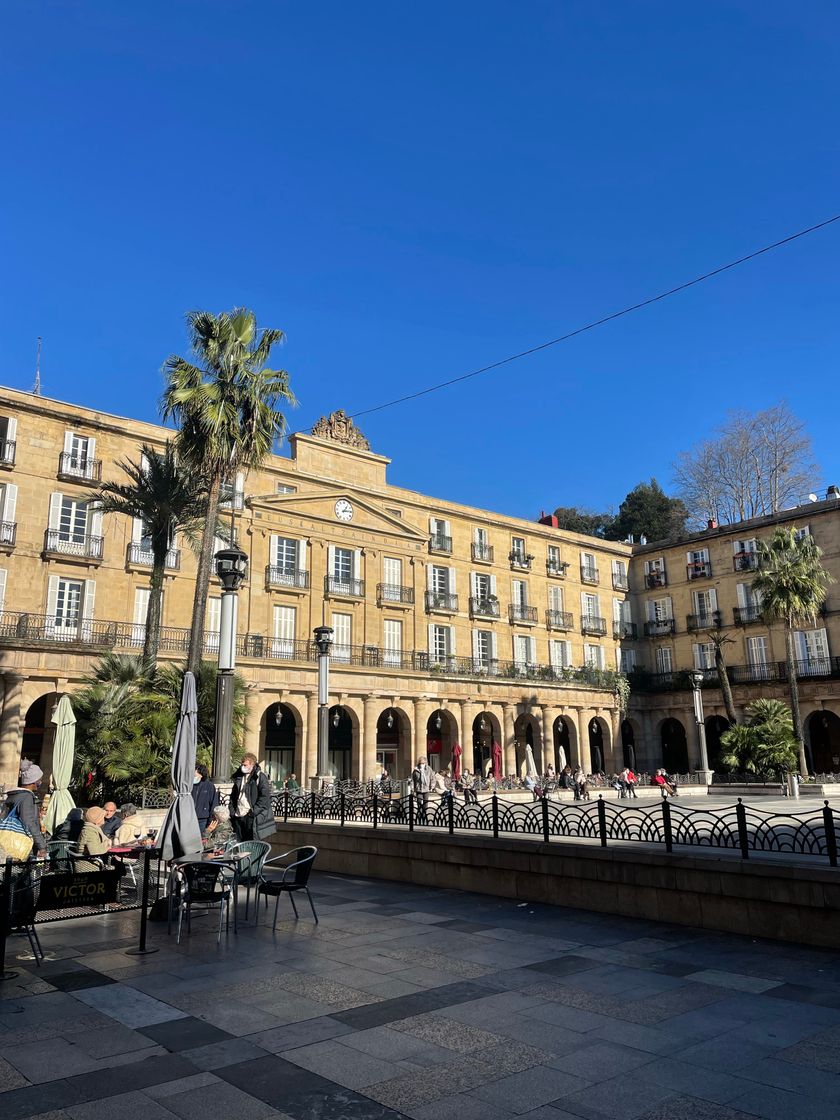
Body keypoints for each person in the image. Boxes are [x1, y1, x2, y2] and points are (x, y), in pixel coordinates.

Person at [2, 761, 48, 859]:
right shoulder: (26, 797)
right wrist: (41, 845)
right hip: (20, 841)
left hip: (7, 838)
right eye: (40, 779)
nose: (41, 782)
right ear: (34, 781)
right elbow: (29, 822)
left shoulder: (15, 795)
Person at [228, 753, 274, 841]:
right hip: (238, 815)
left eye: (245, 765)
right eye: (242, 764)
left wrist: (253, 812)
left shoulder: (260, 777)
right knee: (239, 844)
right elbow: (233, 796)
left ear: (252, 765)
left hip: (250, 816)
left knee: (251, 843)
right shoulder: (239, 777)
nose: (242, 766)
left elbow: (264, 797)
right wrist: (232, 811)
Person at [75, 807, 113, 871]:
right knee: (118, 868)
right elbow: (94, 852)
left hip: (94, 861)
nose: (104, 819)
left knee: (119, 866)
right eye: (102, 817)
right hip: (88, 866)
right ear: (97, 819)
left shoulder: (94, 828)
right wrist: (107, 844)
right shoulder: (89, 831)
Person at [191, 763, 219, 833]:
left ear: (201, 774)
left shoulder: (209, 786)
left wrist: (210, 821)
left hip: (202, 820)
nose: (193, 777)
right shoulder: (190, 786)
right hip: (190, 819)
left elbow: (213, 804)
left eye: (195, 775)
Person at [411, 756, 434, 820]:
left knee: (425, 802)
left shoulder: (429, 769)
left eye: (423, 763)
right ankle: (419, 813)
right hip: (419, 789)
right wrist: (412, 787)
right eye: (421, 763)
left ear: (425, 763)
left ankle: (424, 813)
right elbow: (413, 779)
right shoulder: (416, 770)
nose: (422, 764)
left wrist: (432, 786)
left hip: (426, 789)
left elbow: (432, 778)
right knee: (419, 801)